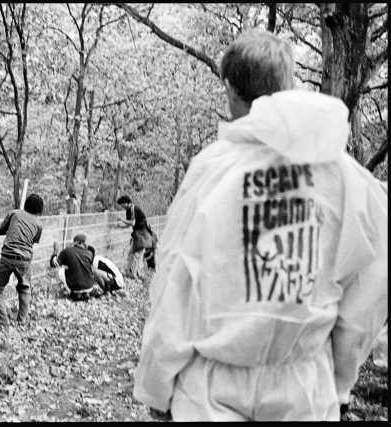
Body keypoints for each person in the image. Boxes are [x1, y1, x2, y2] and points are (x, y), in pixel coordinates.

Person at [133, 30, 387, 422]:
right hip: (304, 387)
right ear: (287, 88)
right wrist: (339, 381)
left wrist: (157, 384)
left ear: (231, 88)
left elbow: (174, 284)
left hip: (212, 387)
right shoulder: (346, 179)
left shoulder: (213, 170)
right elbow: (368, 294)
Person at [0, 193, 43, 326]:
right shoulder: (38, 224)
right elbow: (34, 241)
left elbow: (1, 230)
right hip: (25, 259)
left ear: (25, 205)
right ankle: (22, 321)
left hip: (7, 256)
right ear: (40, 210)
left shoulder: (14, 214)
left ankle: (2, 321)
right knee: (25, 288)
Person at [49, 234, 115, 301]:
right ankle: (87, 292)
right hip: (89, 287)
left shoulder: (67, 251)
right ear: (82, 242)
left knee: (62, 270)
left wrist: (55, 251)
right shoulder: (90, 253)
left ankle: (71, 291)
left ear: (76, 242)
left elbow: (54, 264)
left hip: (75, 289)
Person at [116, 195, 153, 279]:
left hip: (142, 234)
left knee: (137, 254)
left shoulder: (133, 209)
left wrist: (121, 219)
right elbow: (130, 224)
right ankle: (132, 272)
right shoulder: (128, 210)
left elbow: (132, 223)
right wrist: (121, 226)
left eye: (122, 205)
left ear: (126, 203)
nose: (122, 207)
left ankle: (134, 274)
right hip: (138, 234)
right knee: (132, 253)